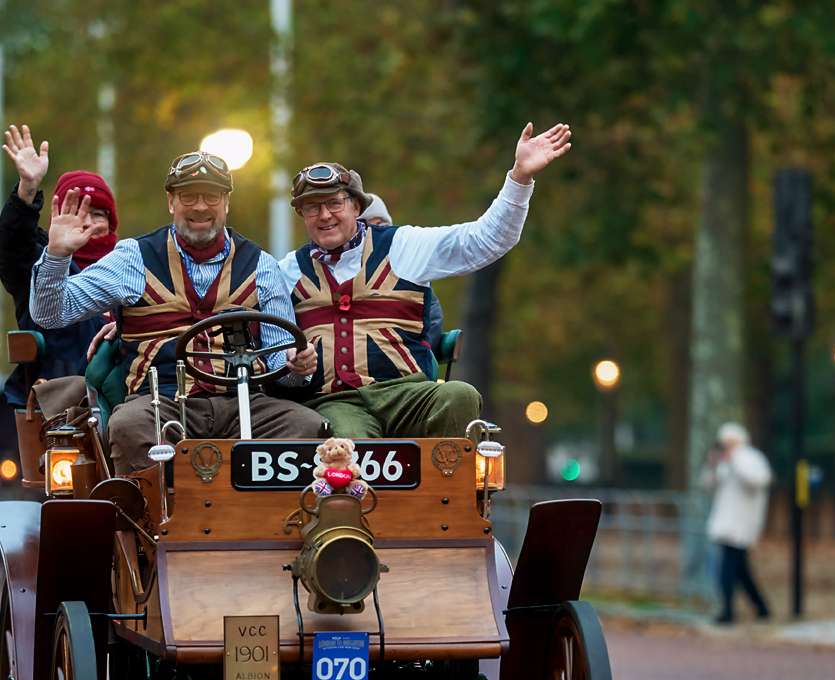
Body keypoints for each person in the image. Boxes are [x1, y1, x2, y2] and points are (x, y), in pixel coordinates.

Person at [30, 150, 325, 473]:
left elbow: (283, 362)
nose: (200, 206)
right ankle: (144, 519)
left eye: (211, 196)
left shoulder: (263, 267)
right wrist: (57, 255)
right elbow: (51, 314)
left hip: (242, 403)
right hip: (160, 402)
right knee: (128, 426)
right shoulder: (133, 258)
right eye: (188, 196)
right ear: (171, 202)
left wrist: (298, 366)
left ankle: (268, 519)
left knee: (307, 426)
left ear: (226, 202)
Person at [276, 121, 572, 438]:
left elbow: (485, 240)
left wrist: (520, 177)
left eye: (335, 203)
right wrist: (292, 364)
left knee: (460, 395)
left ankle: (446, 484)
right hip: (337, 402)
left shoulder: (403, 245)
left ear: (356, 206)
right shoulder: (285, 271)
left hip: (407, 395)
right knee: (348, 442)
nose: (324, 215)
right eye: (312, 208)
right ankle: (357, 486)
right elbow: (270, 350)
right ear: (302, 216)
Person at [0, 124, 115, 409]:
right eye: (75, 212)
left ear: (112, 222)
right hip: (62, 405)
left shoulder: (130, 266)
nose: (86, 222)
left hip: (130, 395)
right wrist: (27, 189)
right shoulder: (38, 264)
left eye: (97, 214)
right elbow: (12, 248)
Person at [359, 194, 445, 375]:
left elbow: (432, 319)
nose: (376, 231)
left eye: (381, 225)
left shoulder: (407, 273)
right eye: (368, 226)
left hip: (406, 370)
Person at [702, 423, 773, 624]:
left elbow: (757, 481)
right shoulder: (725, 462)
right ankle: (761, 607)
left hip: (742, 523)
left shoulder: (750, 458)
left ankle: (727, 611)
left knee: (729, 568)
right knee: (740, 569)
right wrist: (713, 465)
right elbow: (708, 485)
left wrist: (735, 461)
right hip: (726, 522)